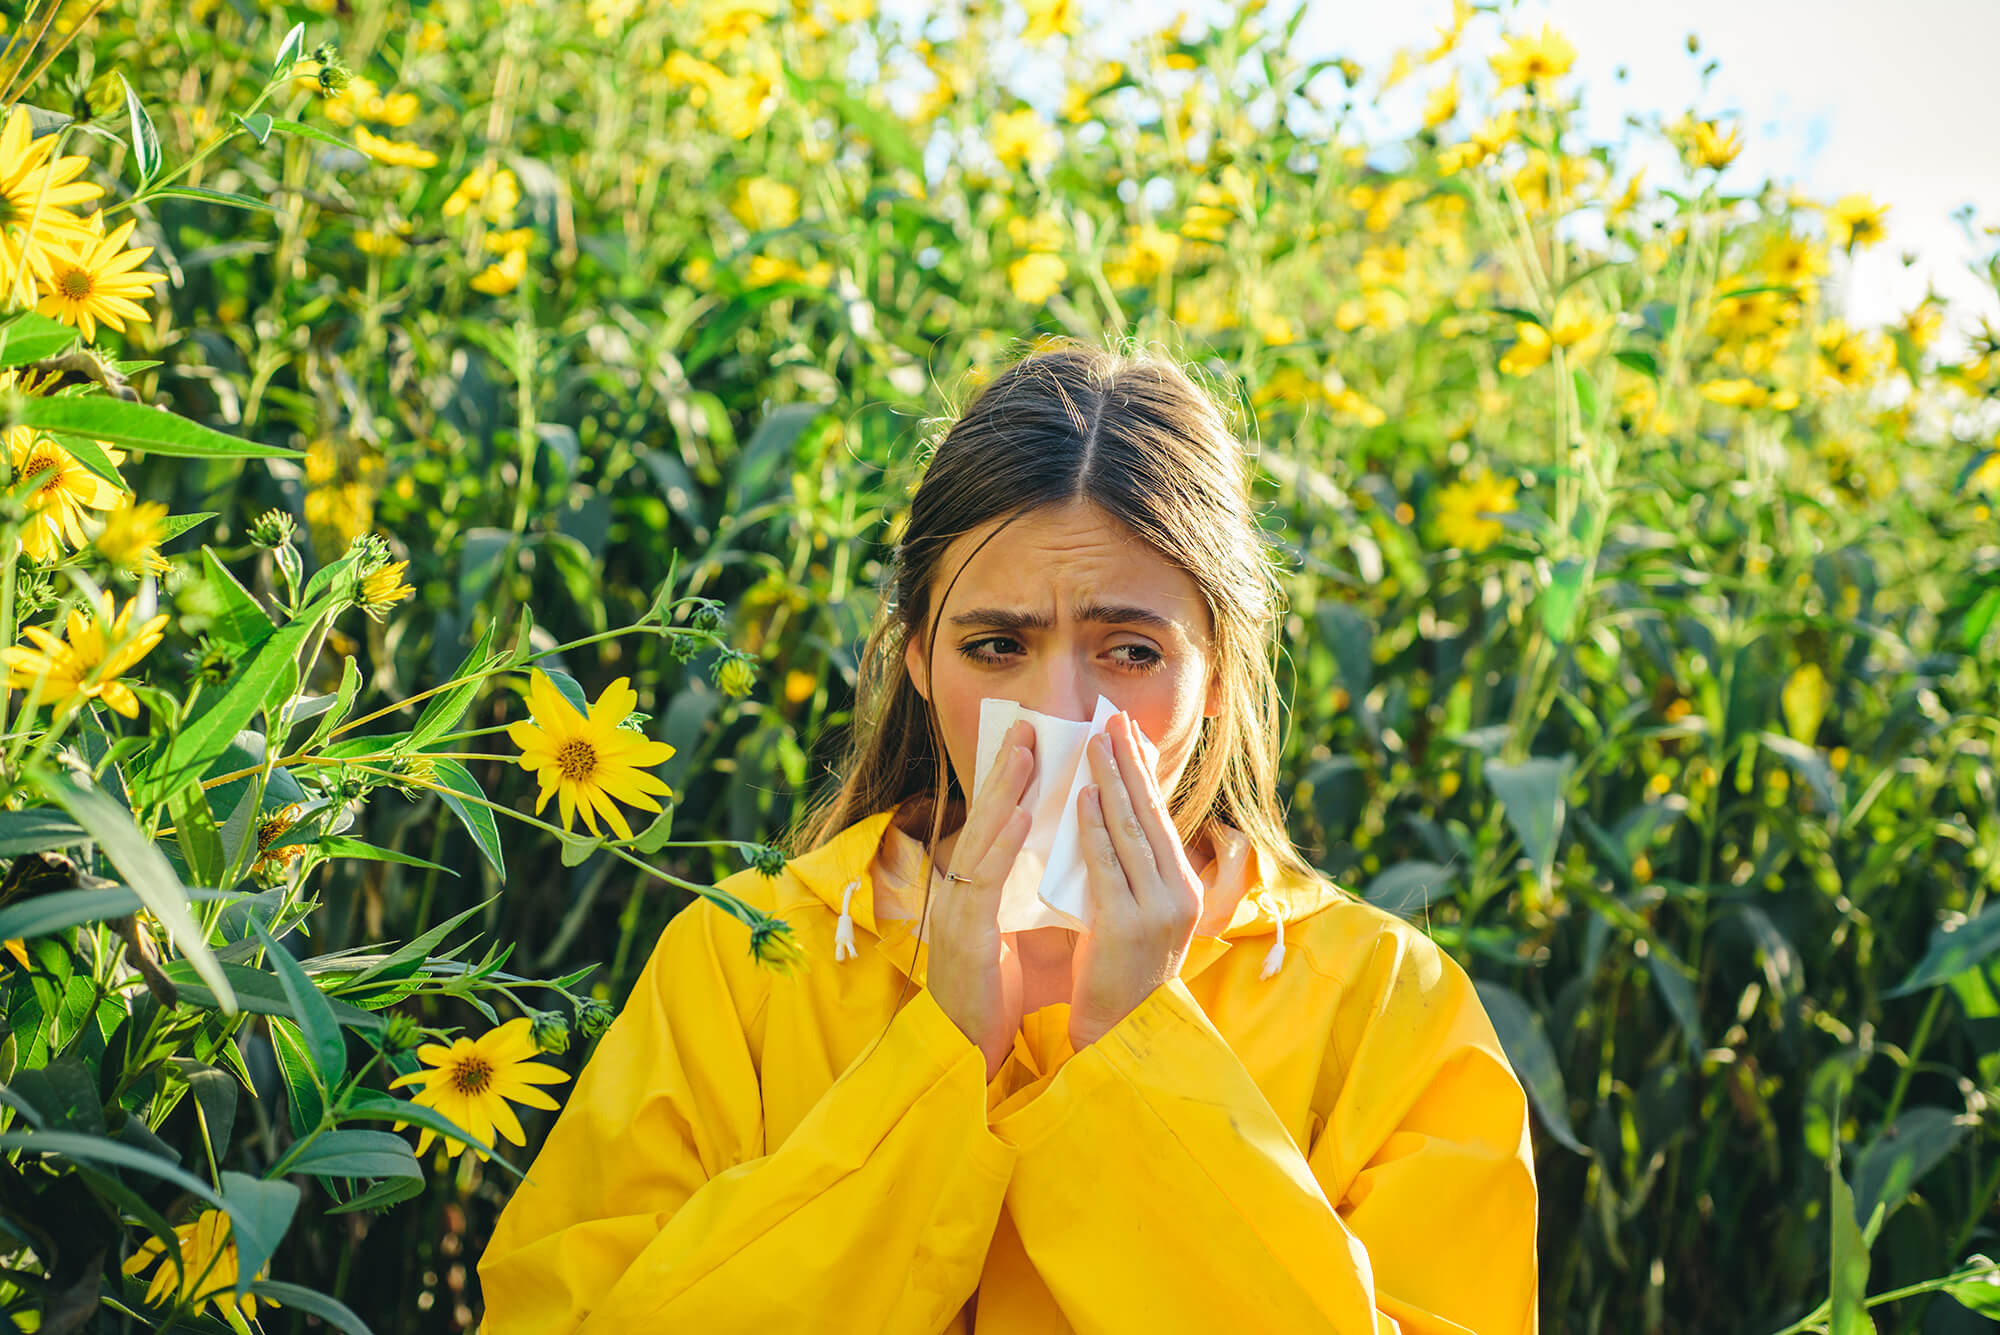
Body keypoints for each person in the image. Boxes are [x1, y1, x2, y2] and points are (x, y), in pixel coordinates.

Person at [477, 341, 1540, 1333]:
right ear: (916, 659)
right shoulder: (749, 959)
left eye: (1127, 650)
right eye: (995, 646)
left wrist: (1140, 1050)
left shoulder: (1381, 1002)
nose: (1063, 712)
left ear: (1213, 669)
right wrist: (931, 1058)